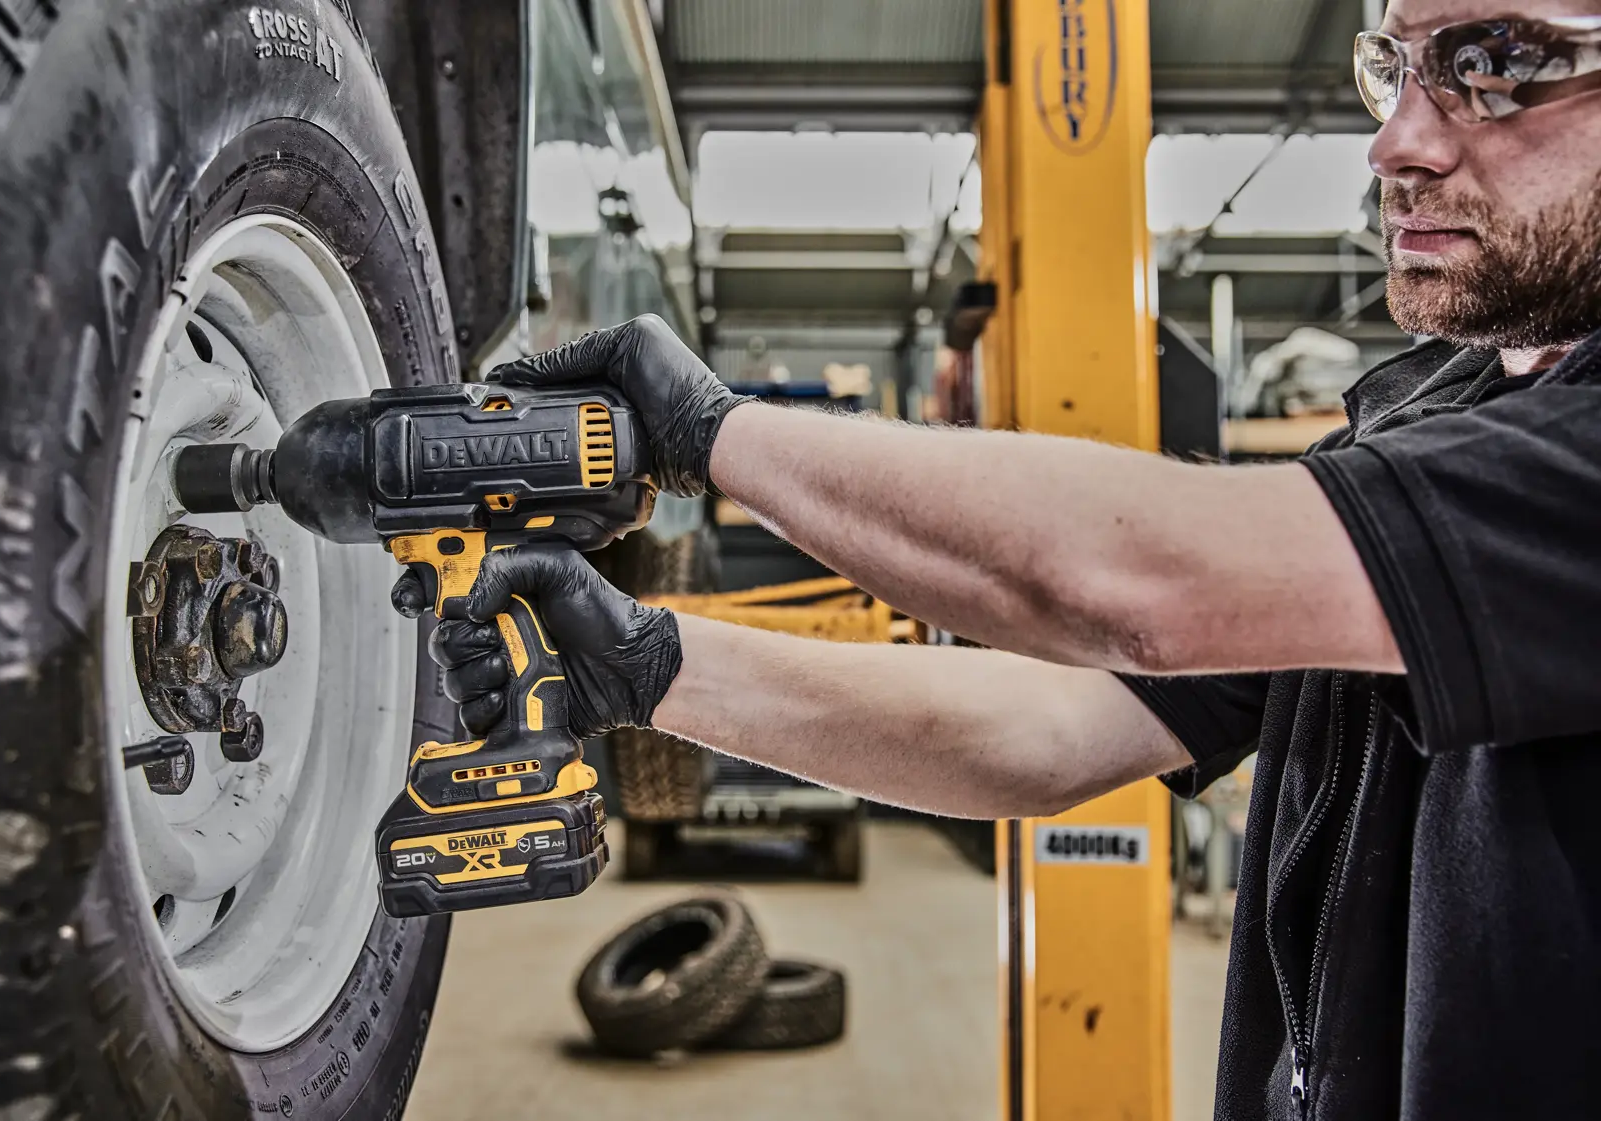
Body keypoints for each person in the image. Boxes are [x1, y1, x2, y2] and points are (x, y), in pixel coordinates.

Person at [396, 0, 1601, 1116]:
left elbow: (1138, 588)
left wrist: (714, 435)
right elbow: (1057, 727)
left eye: (1495, 65)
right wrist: (650, 664)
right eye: (1393, 68)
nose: (1397, 143)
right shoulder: (1414, 428)